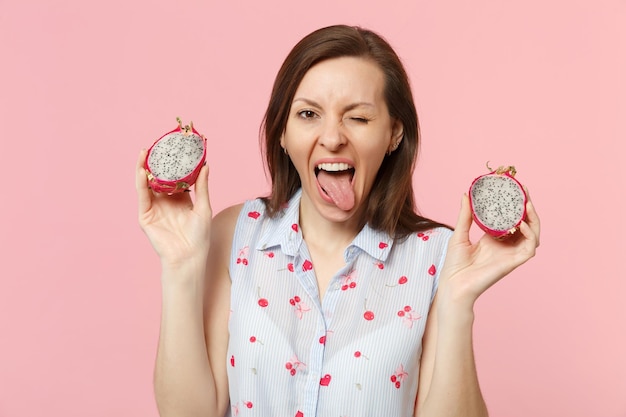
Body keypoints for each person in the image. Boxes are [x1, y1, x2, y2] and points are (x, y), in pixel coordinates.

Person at [136, 25, 540, 417]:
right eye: (308, 114)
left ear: (394, 134)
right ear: (282, 132)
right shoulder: (235, 234)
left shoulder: (439, 257)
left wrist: (457, 303)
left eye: (358, 119)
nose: (332, 138)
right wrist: (180, 267)